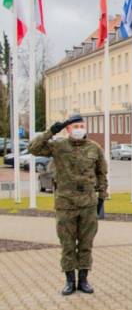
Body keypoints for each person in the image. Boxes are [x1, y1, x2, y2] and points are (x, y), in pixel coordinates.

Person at [29, 115, 108, 295]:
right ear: (68, 130)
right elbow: (33, 148)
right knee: (67, 244)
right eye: (75, 126)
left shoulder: (94, 148)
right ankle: (69, 281)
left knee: (86, 243)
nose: (79, 129)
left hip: (88, 203)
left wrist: (102, 196)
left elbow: (102, 173)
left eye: (82, 126)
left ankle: (84, 279)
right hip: (66, 204)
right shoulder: (58, 146)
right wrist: (51, 131)